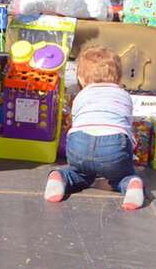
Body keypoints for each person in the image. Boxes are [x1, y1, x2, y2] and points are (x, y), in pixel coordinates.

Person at [44, 46, 144, 210]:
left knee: (79, 174)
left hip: (80, 144)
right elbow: (125, 126)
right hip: (113, 148)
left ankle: (59, 178)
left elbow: (75, 122)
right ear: (118, 78)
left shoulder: (81, 96)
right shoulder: (124, 96)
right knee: (121, 176)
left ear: (81, 79)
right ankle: (131, 184)